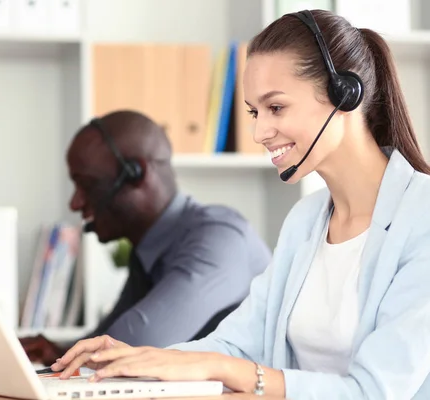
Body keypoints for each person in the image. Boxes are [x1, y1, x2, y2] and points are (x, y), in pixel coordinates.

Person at [48, 9, 430, 399]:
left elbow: (375, 391)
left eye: (276, 107)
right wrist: (136, 360)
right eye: (254, 111)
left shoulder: (422, 217)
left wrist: (236, 372)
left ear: (345, 94)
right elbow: (234, 345)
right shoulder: (307, 219)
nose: (259, 131)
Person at [20, 110, 271, 366]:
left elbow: (132, 346)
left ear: (136, 173)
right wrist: (58, 353)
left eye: (89, 185)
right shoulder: (148, 252)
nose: (75, 203)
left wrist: (74, 356)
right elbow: (107, 341)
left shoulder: (220, 237)